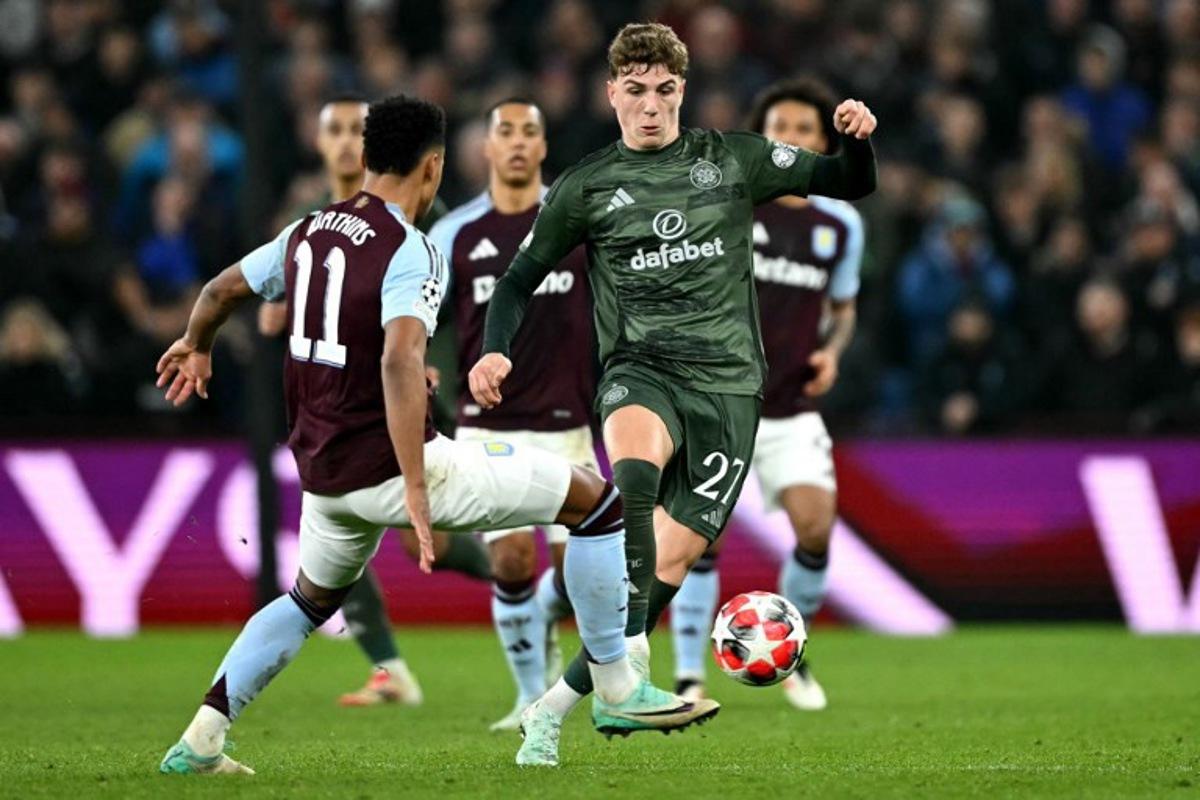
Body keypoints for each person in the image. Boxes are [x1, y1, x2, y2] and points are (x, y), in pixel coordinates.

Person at [155, 95, 712, 776]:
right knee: (598, 505)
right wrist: (417, 489)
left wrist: (194, 344)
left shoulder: (305, 232)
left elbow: (218, 291)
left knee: (307, 600)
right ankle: (618, 689)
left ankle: (201, 741)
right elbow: (399, 358)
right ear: (435, 167)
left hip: (324, 478)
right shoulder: (409, 248)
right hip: (392, 468)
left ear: (364, 158)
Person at [469, 23, 877, 766]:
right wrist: (494, 347)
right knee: (632, 478)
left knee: (672, 562)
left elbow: (850, 181)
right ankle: (629, 682)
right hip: (639, 369)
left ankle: (555, 710)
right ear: (611, 94)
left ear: (681, 91)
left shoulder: (733, 160)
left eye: (663, 90)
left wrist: (857, 138)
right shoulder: (587, 185)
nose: (650, 107)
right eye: (635, 91)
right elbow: (518, 281)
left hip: (728, 388)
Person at [260, 94, 492, 710]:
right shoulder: (306, 219)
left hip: (406, 393)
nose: (341, 141)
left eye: (349, 129)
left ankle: (517, 580)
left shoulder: (423, 213)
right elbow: (266, 309)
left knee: (426, 540)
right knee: (344, 534)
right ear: (320, 143)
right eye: (330, 129)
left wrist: (432, 363)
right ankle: (390, 668)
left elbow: (447, 300)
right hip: (339, 406)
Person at [666, 77, 866, 710]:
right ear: (764, 137)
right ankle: (688, 673)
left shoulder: (840, 223)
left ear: (822, 142)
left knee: (815, 526)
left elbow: (844, 307)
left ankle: (794, 659)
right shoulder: (731, 202)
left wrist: (832, 355)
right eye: (780, 127)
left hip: (790, 406)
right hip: (719, 402)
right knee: (702, 537)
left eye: (806, 130)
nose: (793, 138)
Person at [428, 98, 593, 731]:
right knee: (511, 561)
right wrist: (420, 363)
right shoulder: (456, 233)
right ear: (487, 149)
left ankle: (546, 626)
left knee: (582, 577)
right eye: (506, 133)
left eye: (530, 132)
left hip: (566, 422)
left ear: (543, 147)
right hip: (488, 426)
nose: (518, 143)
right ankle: (531, 698)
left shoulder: (575, 220)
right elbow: (421, 313)